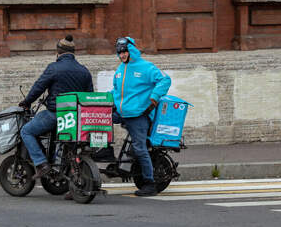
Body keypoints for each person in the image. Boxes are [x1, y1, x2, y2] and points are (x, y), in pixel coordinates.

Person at [19, 35, 94, 181]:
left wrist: (26, 102)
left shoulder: (54, 68)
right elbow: (89, 95)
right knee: (70, 147)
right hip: (76, 118)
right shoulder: (84, 71)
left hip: (56, 115)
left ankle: (41, 164)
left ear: (58, 52)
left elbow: (38, 87)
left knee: (26, 131)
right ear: (73, 53)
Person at [112, 37, 171, 196]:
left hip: (139, 115)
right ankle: (105, 152)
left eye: (124, 52)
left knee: (139, 147)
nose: (122, 55)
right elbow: (116, 91)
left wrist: (154, 96)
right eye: (119, 53)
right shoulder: (120, 70)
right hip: (122, 112)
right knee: (101, 121)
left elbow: (165, 80)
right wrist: (103, 101)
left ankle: (150, 183)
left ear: (130, 50)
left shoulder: (145, 67)